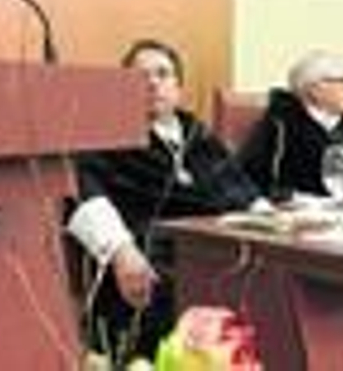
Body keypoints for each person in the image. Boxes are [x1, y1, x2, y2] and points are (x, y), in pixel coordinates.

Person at [68, 39, 261, 364]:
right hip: (149, 259)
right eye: (142, 75)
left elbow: (243, 193)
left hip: (216, 255)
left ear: (178, 87)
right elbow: (85, 196)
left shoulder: (197, 135)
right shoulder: (104, 133)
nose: (153, 82)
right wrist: (121, 252)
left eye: (163, 74)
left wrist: (283, 225)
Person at [235, 50, 343, 201]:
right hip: (293, 215)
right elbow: (252, 178)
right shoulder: (279, 124)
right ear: (313, 89)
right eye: (340, 81)